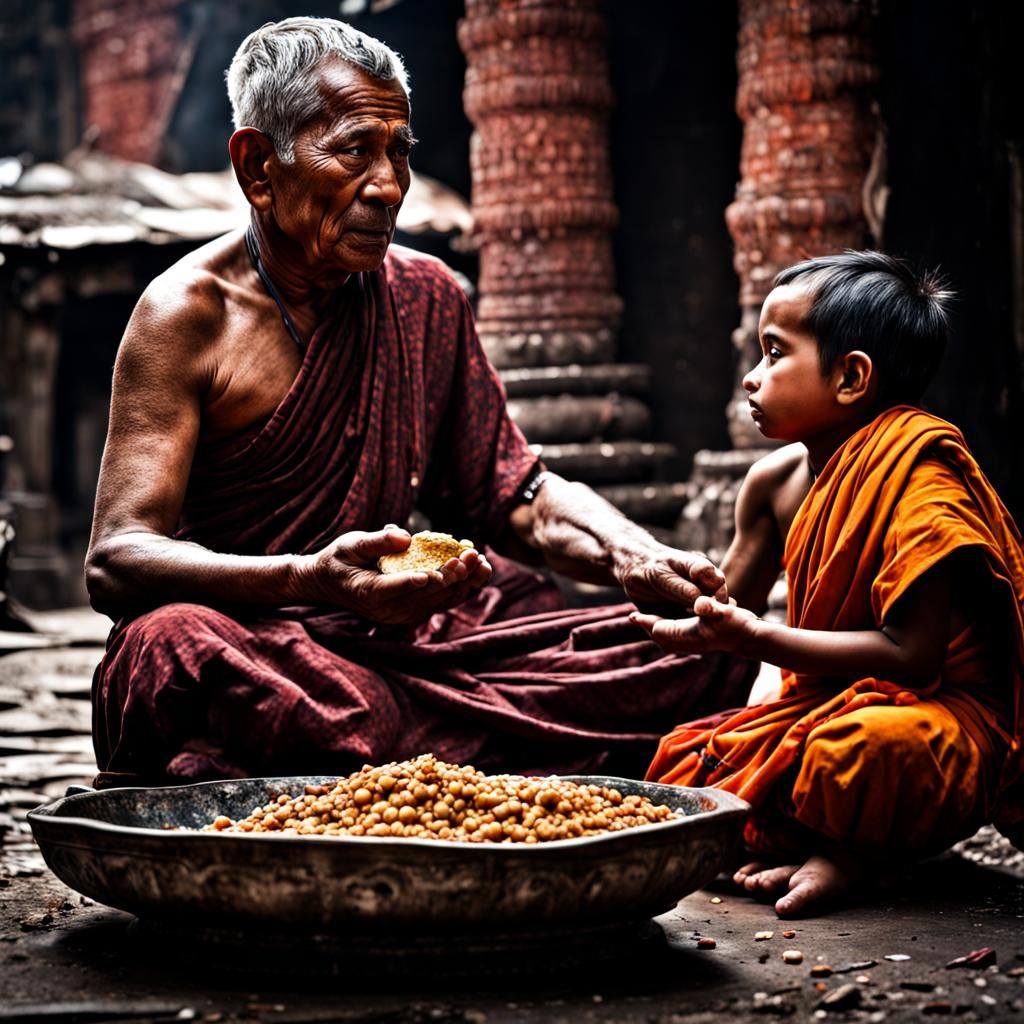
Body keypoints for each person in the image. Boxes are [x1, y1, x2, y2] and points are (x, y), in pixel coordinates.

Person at [85, 17, 755, 788]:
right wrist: (307, 578)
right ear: (259, 168)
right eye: (354, 151)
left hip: (407, 641)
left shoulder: (427, 295)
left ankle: (377, 757)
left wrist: (635, 554)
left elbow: (517, 494)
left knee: (677, 649)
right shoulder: (187, 317)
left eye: (399, 152)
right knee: (168, 646)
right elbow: (117, 560)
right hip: (259, 640)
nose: (388, 187)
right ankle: (448, 751)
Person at [634, 251, 1024, 917]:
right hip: (827, 703)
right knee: (684, 764)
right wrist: (669, 586)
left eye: (774, 353)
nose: (752, 378)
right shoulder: (773, 484)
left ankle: (857, 858)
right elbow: (725, 605)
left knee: (859, 753)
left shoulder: (921, 480)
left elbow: (912, 657)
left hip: (940, 714)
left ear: (850, 377)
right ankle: (831, 837)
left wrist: (758, 639)